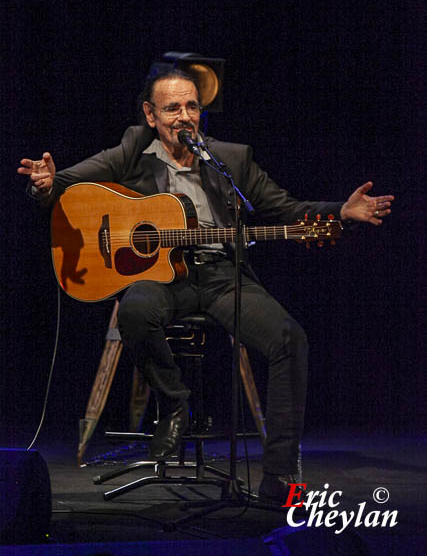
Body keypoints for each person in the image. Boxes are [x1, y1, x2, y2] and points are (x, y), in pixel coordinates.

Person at [18, 69, 394, 504]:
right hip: (159, 278)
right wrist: (44, 185)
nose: (184, 116)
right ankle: (175, 402)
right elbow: (64, 183)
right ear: (151, 115)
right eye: (172, 108)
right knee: (136, 310)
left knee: (290, 339)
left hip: (220, 276)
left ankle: (279, 478)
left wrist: (339, 213)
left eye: (192, 106)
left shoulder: (231, 159)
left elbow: (285, 208)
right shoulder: (132, 149)